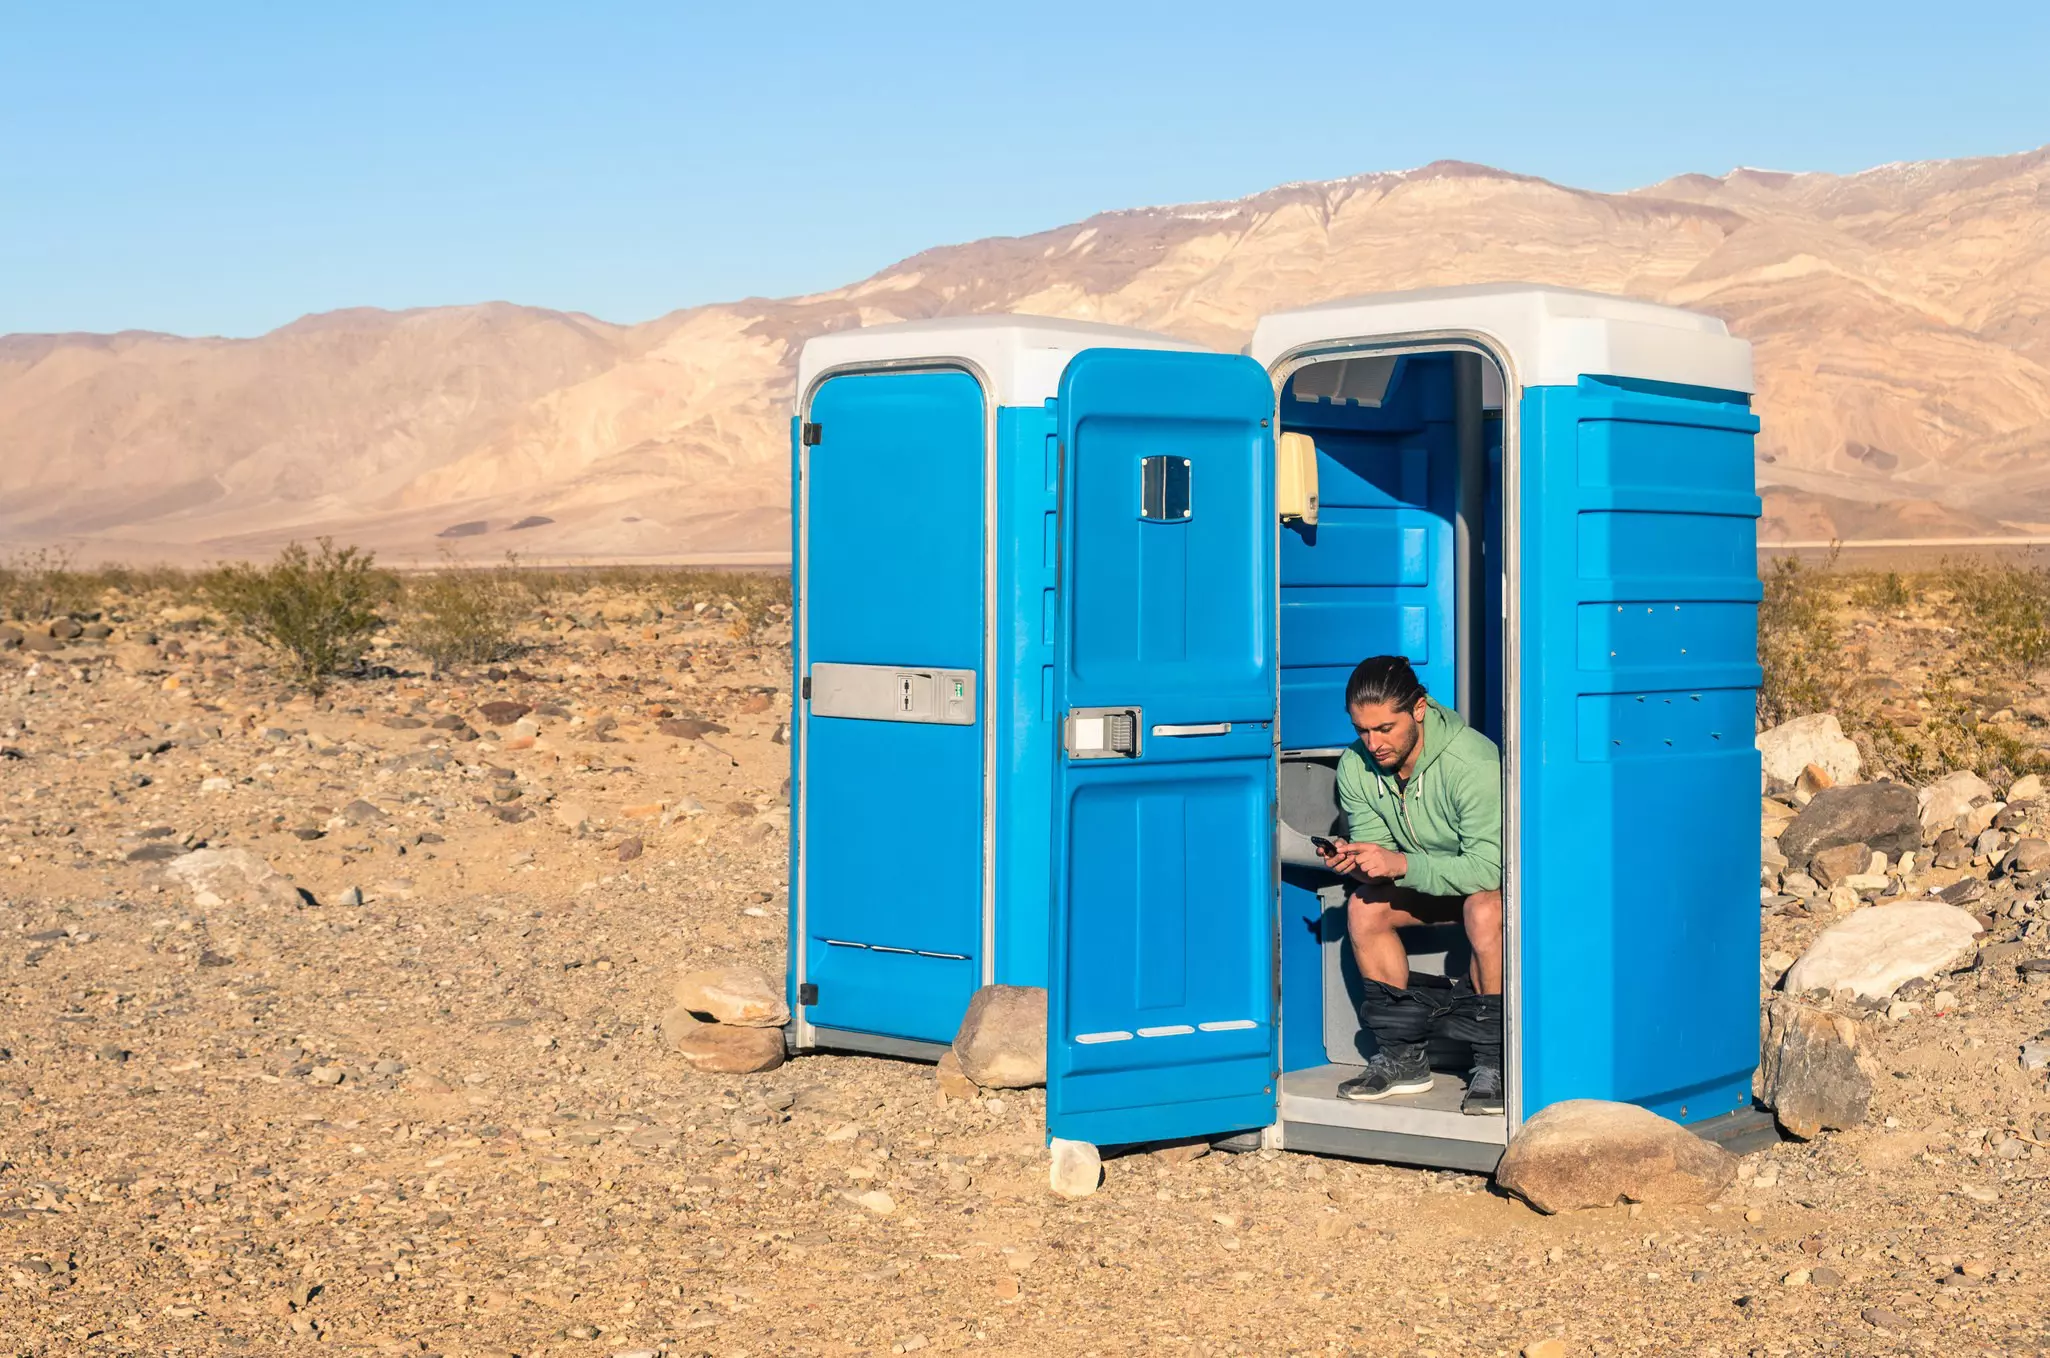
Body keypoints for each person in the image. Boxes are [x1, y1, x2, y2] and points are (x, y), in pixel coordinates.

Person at [1315, 655, 1504, 1115]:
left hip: (1487, 885)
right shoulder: (1355, 767)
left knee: (1484, 911)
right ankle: (1403, 1059)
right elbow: (1379, 854)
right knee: (1364, 906)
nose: (1373, 743)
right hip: (1424, 882)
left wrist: (1399, 864)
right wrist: (1357, 862)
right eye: (1362, 730)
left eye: (1384, 728)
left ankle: (1495, 1062)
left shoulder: (1471, 761)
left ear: (1418, 708)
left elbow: (1491, 868)